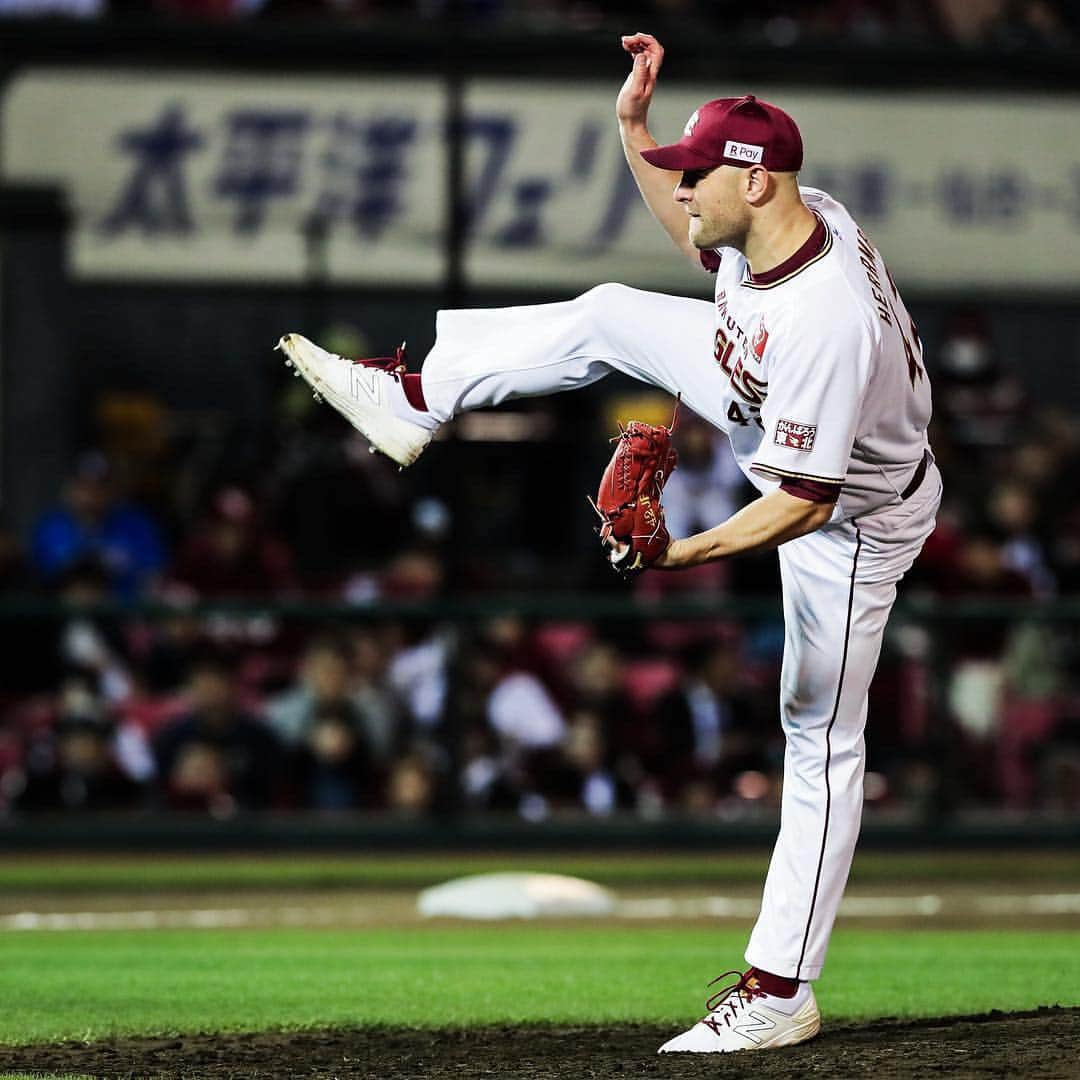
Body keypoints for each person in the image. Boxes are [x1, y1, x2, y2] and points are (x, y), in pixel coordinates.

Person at [275, 31, 941, 1055]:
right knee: (606, 314)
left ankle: (778, 990)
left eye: (696, 173)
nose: (683, 190)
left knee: (818, 736)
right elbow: (697, 248)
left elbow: (804, 503)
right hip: (776, 412)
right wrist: (634, 129)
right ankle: (413, 399)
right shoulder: (783, 227)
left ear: (757, 181)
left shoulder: (826, 316)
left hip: (855, 514)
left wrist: (679, 556)